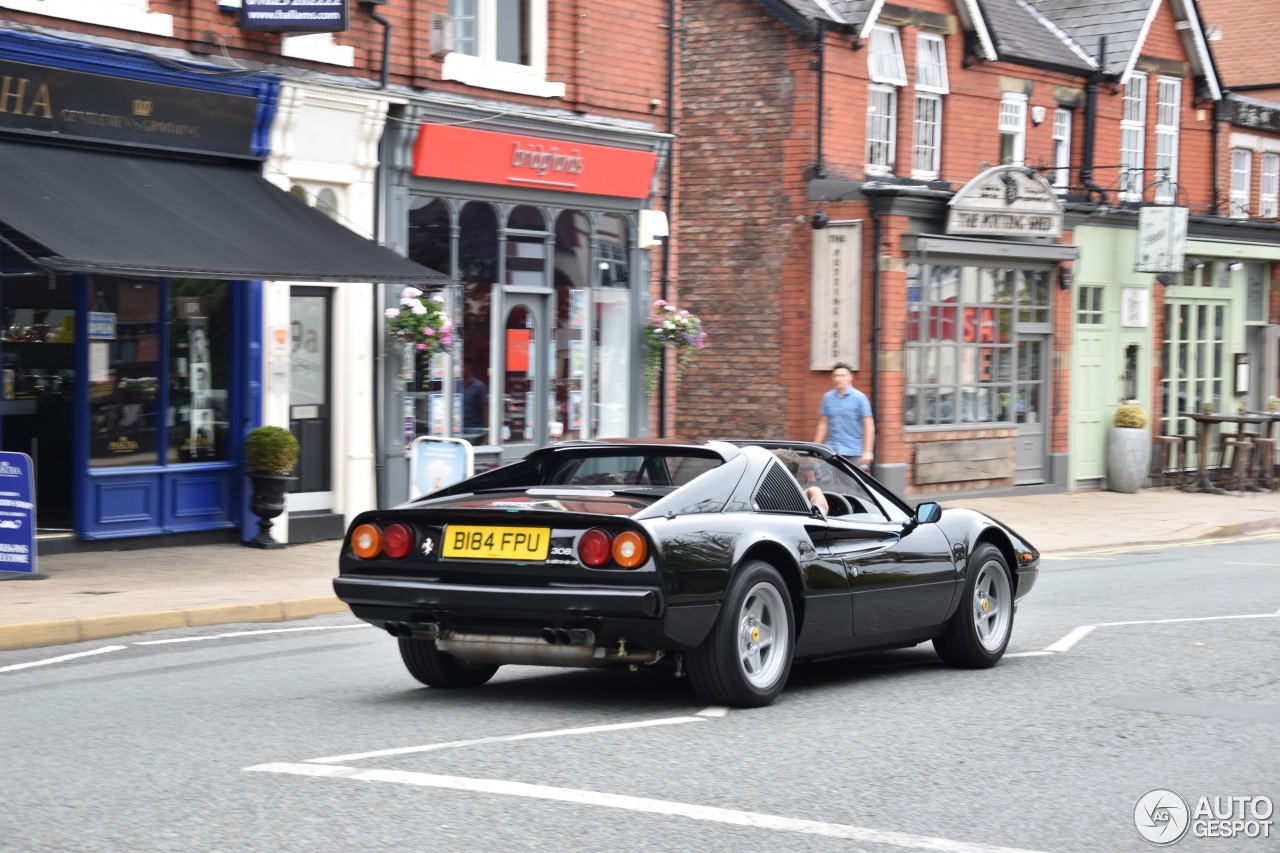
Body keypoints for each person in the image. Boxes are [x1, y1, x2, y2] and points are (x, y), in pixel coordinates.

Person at [814, 361, 875, 470]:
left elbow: (869, 425)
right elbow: (823, 423)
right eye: (836, 376)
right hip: (831, 449)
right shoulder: (827, 397)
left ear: (850, 377)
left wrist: (868, 451)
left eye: (842, 376)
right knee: (825, 482)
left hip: (852, 450)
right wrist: (816, 446)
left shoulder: (860, 398)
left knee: (849, 485)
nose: (839, 379)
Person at [772, 449, 829, 516]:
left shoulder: (760, 494)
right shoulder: (797, 503)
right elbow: (820, 514)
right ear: (796, 476)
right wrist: (815, 491)